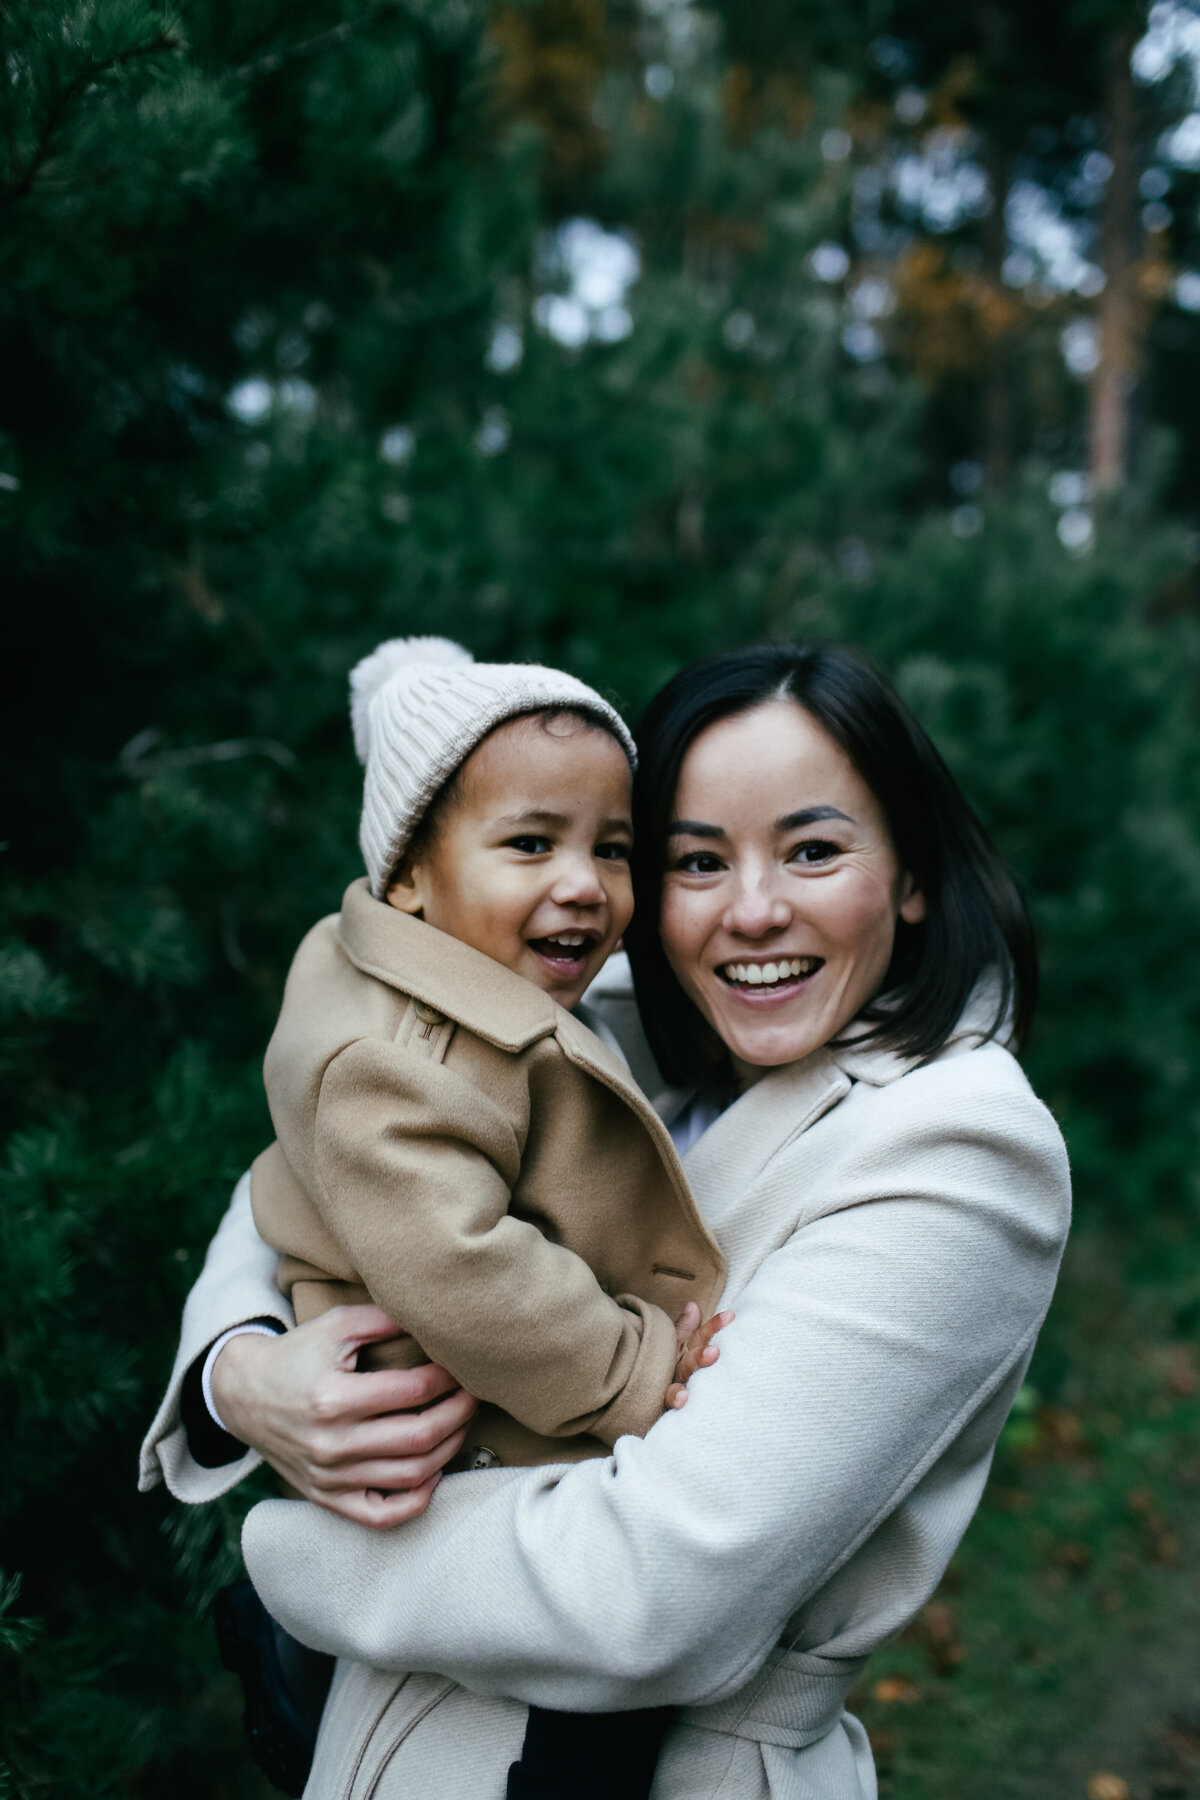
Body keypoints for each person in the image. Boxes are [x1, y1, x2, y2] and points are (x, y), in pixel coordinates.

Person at [141, 642, 1071, 1800]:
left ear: (914, 874)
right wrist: (250, 1377)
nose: (753, 912)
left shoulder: (963, 1146)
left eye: (815, 850)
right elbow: (308, 1162)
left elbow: (655, 1594)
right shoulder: (605, 1013)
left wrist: (301, 1554)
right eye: (696, 860)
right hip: (383, 1750)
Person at [188, 634, 731, 1797]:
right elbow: (468, 1271)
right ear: (409, 878)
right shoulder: (403, 1057)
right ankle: (299, 1670)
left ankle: (305, 1676)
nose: (584, 883)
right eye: (531, 843)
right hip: (470, 1434)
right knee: (579, 1727)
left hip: (487, 1434)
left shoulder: (453, 971)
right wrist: (635, 1369)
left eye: (615, 849)